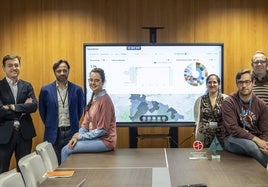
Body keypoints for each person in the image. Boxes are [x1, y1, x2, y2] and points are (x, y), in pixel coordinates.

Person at [61, 67, 117, 163]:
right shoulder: (93, 99)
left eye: (97, 80)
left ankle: (65, 178)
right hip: (95, 138)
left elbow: (102, 130)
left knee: (66, 150)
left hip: (105, 141)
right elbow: (85, 124)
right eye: (91, 80)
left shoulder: (105, 100)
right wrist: (76, 137)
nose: (93, 83)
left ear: (103, 82)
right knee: (71, 144)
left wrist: (81, 137)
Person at [39, 59, 84, 164]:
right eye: (59, 71)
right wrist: (51, 124)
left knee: (72, 163)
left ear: (68, 71)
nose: (62, 73)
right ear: (54, 72)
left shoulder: (77, 89)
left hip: (71, 132)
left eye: (65, 70)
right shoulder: (45, 90)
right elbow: (42, 111)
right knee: (54, 163)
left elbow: (80, 110)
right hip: (53, 133)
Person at [222, 69, 268, 167]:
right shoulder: (229, 102)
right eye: (240, 82)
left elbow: (265, 131)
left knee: (258, 145)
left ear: (253, 83)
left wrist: (264, 144)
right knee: (251, 146)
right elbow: (232, 128)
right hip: (232, 139)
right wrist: (256, 140)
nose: (244, 86)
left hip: (256, 140)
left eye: (247, 82)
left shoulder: (262, 105)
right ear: (237, 84)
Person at [0, 54, 38, 174]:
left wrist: (11, 107)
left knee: (25, 171)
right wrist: (23, 109)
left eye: (16, 65)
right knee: (2, 170)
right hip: (4, 135)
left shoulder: (27, 86)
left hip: (25, 134)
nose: (14, 68)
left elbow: (33, 106)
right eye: (10, 65)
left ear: (20, 66)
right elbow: (0, 111)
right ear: (4, 68)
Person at [194, 74, 228, 148]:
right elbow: (197, 119)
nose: (212, 84)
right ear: (206, 84)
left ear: (219, 84)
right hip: (204, 137)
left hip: (222, 136)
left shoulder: (226, 99)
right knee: (204, 159)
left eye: (214, 82)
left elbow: (229, 118)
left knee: (224, 158)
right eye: (209, 82)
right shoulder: (200, 100)